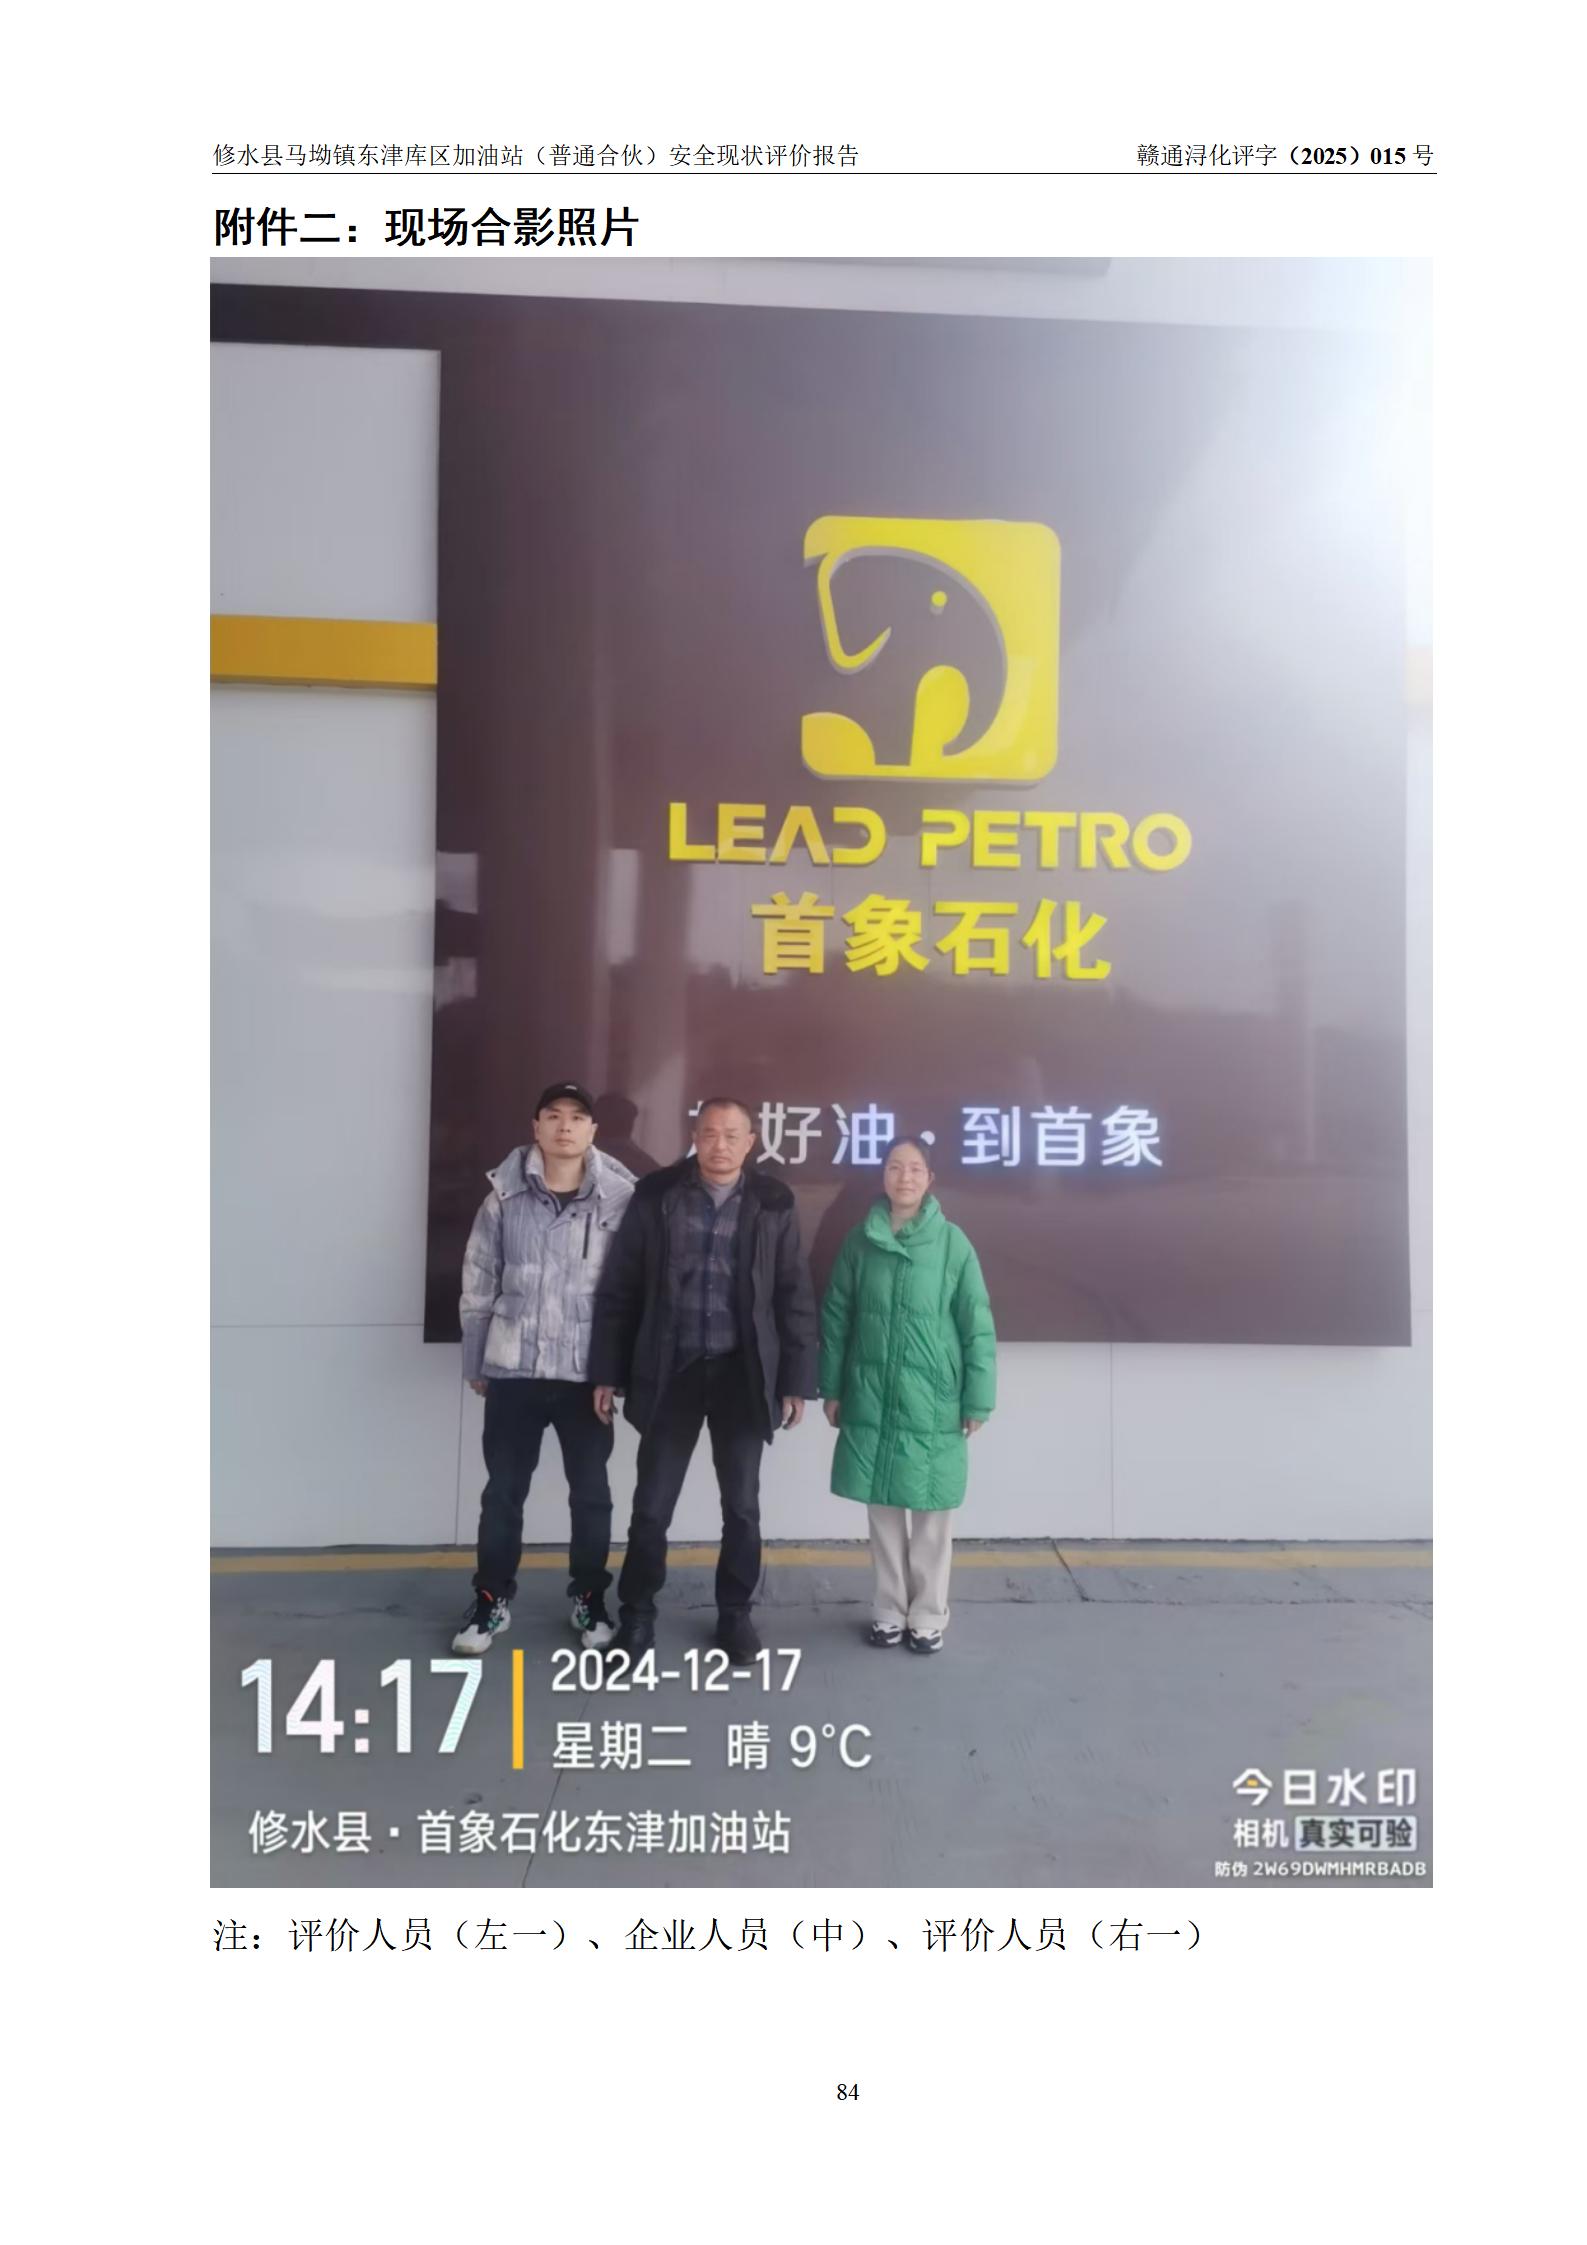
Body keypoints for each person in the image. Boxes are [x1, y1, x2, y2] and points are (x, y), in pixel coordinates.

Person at [588, 1098, 819, 1662]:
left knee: (742, 1506)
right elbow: (620, 1287)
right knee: (651, 1506)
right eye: (710, 1133)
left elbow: (793, 1292)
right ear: (694, 1136)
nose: (720, 1144)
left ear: (750, 1142)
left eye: (732, 1135)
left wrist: (796, 1379)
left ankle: (735, 1614)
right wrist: (607, 1372)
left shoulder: (773, 1201)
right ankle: (637, 1615)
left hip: (743, 1375)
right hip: (672, 1372)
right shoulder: (656, 1195)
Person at [452, 1082, 636, 1654]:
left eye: (577, 1117)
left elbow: (629, 1293)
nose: (564, 1126)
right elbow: (479, 1280)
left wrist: (614, 1372)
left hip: (586, 1377)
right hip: (515, 1368)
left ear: (593, 1130)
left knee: (592, 1495)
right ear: (536, 1127)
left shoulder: (620, 1198)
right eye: (553, 1116)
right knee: (503, 1493)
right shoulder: (503, 1197)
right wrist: (478, 1359)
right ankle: (491, 1600)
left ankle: (589, 1599)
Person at [818, 1136, 996, 1653]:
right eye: (895, 1167)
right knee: (883, 1510)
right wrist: (832, 1386)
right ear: (883, 1177)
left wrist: (977, 1398)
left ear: (930, 1179)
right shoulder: (859, 1241)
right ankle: (888, 1609)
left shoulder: (953, 1244)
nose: (905, 1177)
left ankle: (929, 1614)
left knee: (933, 1512)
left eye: (915, 1169)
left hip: (934, 1398)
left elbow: (977, 1324)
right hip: (872, 1393)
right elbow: (837, 1317)